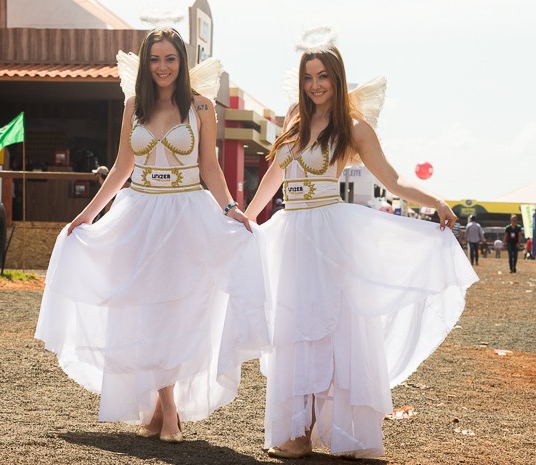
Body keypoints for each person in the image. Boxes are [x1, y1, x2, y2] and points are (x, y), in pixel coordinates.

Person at [245, 34, 478, 459]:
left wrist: (437, 202)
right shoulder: (295, 117)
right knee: (295, 330)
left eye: (323, 78)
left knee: (333, 329)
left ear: (337, 79)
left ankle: (338, 431)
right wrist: (248, 215)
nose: (316, 85)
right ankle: (297, 430)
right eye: (309, 77)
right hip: (292, 234)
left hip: (330, 237)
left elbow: (392, 178)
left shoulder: (354, 128)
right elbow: (275, 176)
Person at [35, 28, 269, 443]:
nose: (163, 67)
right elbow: (123, 165)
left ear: (182, 62)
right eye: (155, 60)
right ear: (146, 65)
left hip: (187, 217)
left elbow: (209, 168)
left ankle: (164, 407)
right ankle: (169, 410)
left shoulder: (200, 107)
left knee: (182, 311)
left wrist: (231, 209)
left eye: (170, 59)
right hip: (139, 215)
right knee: (144, 310)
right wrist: (87, 214)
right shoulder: (133, 105)